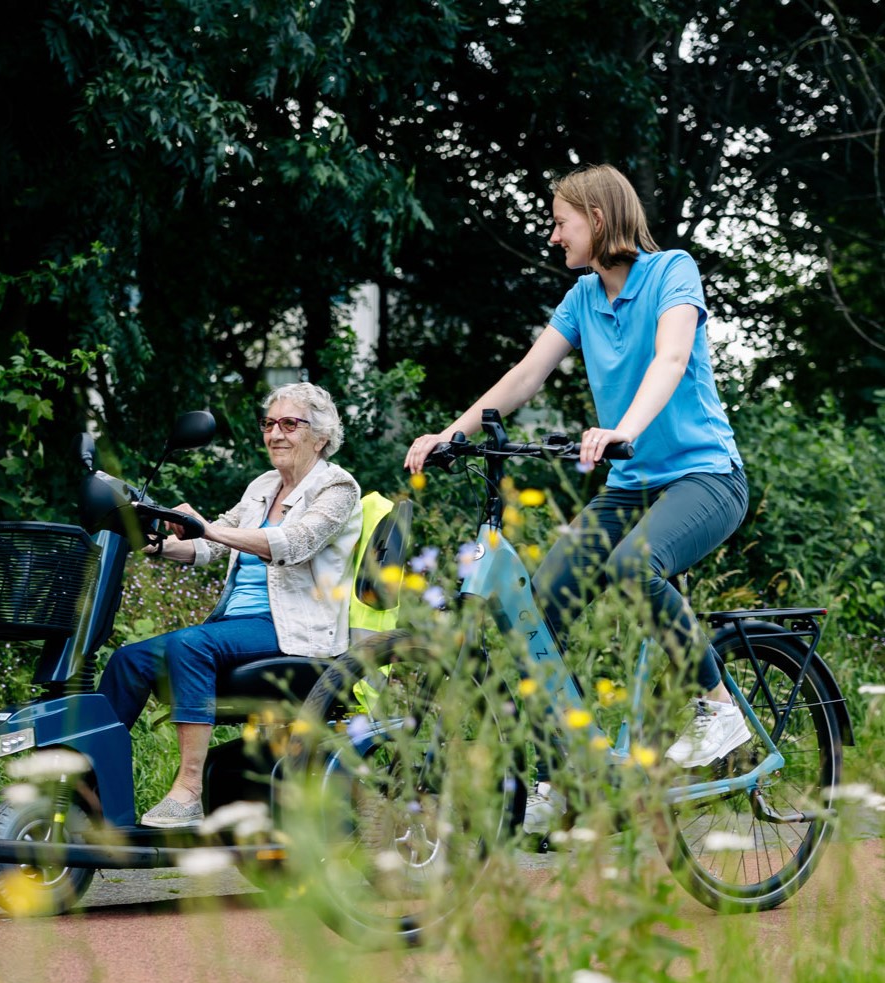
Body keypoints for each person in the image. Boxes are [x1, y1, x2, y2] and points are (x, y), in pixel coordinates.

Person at [404, 163, 751, 788]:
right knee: (537, 612)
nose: (553, 236)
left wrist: (627, 429)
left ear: (596, 218)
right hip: (630, 486)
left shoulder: (672, 271)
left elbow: (672, 356)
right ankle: (562, 777)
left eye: (561, 223)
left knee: (630, 566)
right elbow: (525, 376)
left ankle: (717, 708)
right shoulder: (583, 298)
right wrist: (451, 434)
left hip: (706, 478)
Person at [99, 382, 362, 828]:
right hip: (237, 626)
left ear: (320, 436)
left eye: (289, 424)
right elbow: (207, 547)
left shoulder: (337, 487)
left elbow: (291, 543)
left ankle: (188, 792)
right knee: (129, 660)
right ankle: (88, 791)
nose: (275, 433)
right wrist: (153, 538)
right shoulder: (263, 486)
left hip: (295, 629)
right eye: (269, 424)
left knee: (191, 645)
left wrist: (205, 529)